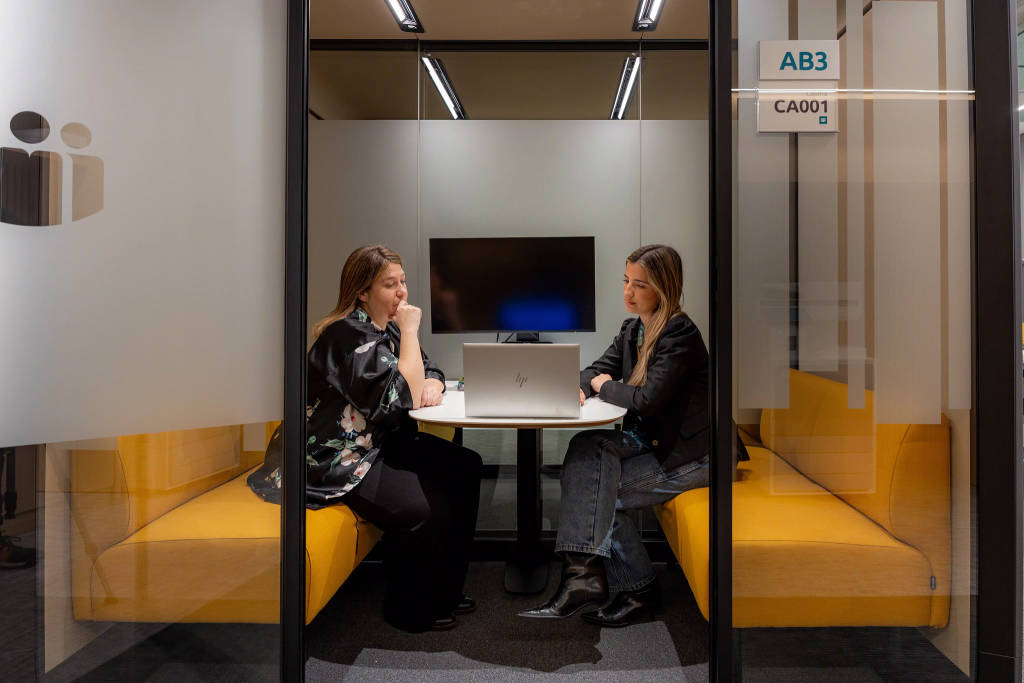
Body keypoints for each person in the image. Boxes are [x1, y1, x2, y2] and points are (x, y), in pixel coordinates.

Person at [248, 244, 482, 633]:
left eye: (403, 282)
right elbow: (396, 400)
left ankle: (445, 589)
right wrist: (410, 334)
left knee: (465, 465)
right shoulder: (347, 336)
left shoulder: (385, 329)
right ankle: (410, 610)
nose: (402, 293)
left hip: (379, 444)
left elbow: (428, 366)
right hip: (334, 458)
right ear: (362, 291)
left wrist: (436, 381)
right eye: (390, 285)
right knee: (424, 508)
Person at [519, 244, 712, 627]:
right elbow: (594, 369)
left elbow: (647, 400)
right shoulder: (633, 329)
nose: (628, 292)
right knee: (584, 445)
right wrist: (581, 385)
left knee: (600, 495)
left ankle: (632, 588)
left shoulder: (679, 332)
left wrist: (602, 386)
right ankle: (585, 578)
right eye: (626, 281)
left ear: (663, 289)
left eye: (640, 285)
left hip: (694, 456)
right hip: (654, 443)